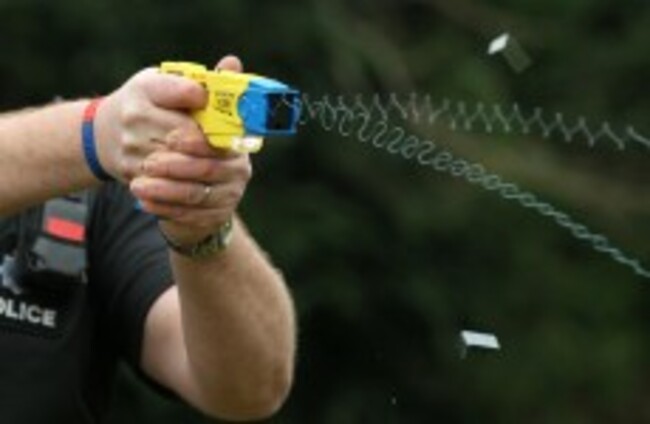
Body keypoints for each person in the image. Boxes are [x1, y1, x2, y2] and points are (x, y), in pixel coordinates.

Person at [0, 55, 296, 422]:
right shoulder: (93, 159)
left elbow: (252, 388)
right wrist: (93, 134)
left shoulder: (96, 191)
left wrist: (202, 229)